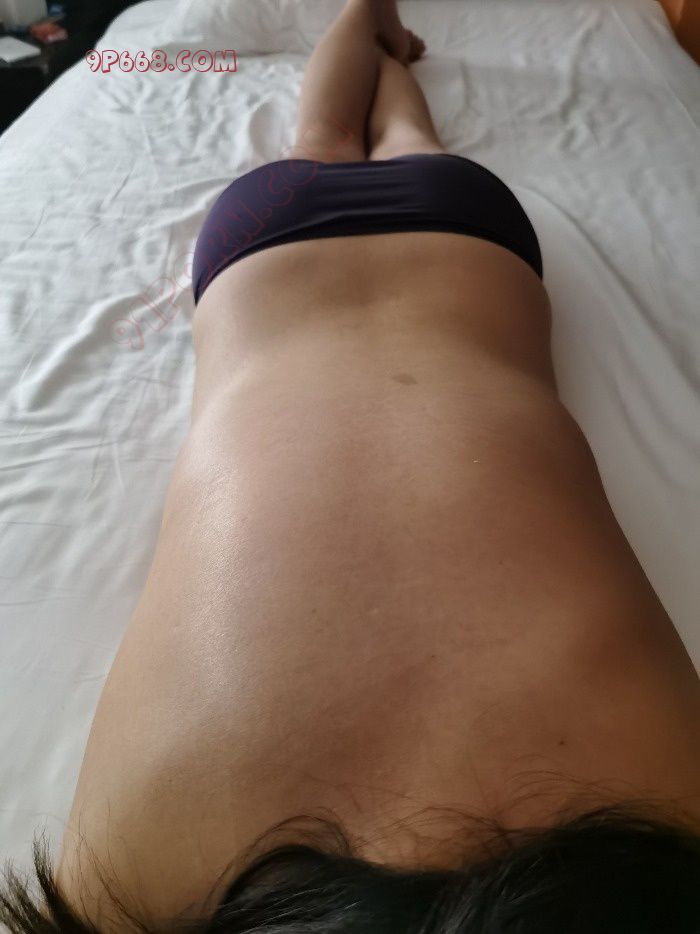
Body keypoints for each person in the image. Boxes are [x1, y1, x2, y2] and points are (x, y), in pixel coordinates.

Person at [3, 0, 699, 930]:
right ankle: (375, 24)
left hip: (446, 245)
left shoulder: (667, 837)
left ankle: (371, 18)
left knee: (356, 138)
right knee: (356, 138)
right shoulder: (127, 891)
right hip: (282, 260)